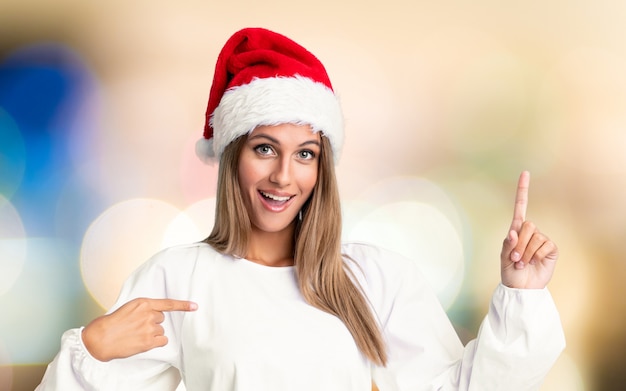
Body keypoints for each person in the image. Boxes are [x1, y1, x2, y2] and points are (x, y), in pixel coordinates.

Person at [36, 27, 565, 391]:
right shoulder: (179, 279)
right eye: (264, 148)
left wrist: (520, 298)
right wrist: (92, 348)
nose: (284, 176)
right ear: (231, 156)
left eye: (305, 154)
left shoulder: (373, 279)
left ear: (322, 168)